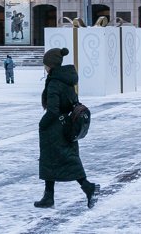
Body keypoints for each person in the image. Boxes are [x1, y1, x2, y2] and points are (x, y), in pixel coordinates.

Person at [34, 47, 99, 209]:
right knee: (56, 160)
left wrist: (43, 124)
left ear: (50, 65)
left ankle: (88, 187)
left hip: (56, 128)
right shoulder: (66, 80)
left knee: (65, 160)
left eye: (46, 64)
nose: (45, 67)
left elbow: (53, 110)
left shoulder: (55, 83)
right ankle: (49, 196)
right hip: (67, 125)